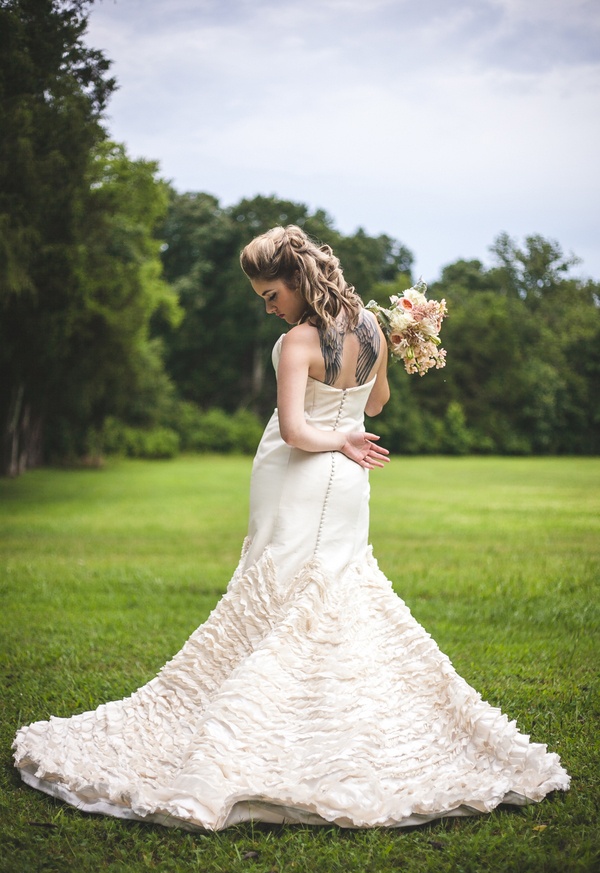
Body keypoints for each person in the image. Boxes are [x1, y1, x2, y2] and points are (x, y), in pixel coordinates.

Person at [13, 225, 569, 831]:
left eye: (270, 293)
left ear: (298, 281)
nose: (268, 306)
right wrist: (352, 425)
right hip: (350, 477)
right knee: (331, 594)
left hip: (303, 473)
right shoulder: (373, 328)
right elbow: (376, 403)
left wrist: (339, 437)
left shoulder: (296, 343)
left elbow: (298, 431)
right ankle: (321, 713)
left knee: (288, 593)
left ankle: (274, 723)